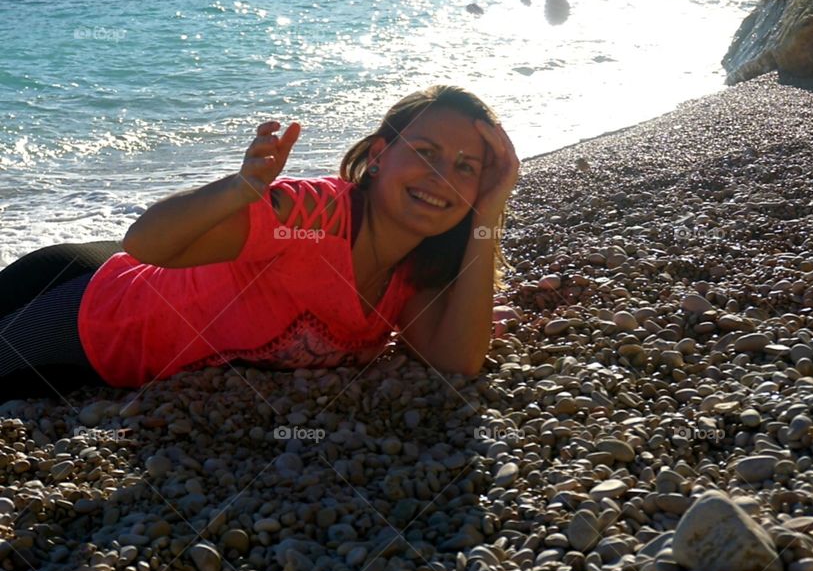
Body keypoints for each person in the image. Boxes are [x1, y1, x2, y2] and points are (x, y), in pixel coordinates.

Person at [0, 85, 520, 400]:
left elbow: (457, 363)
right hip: (78, 312)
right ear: (380, 155)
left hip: (146, 283)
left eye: (466, 167)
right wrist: (239, 189)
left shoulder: (416, 269)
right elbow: (147, 244)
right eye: (425, 152)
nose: (441, 177)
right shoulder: (313, 213)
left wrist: (489, 212)